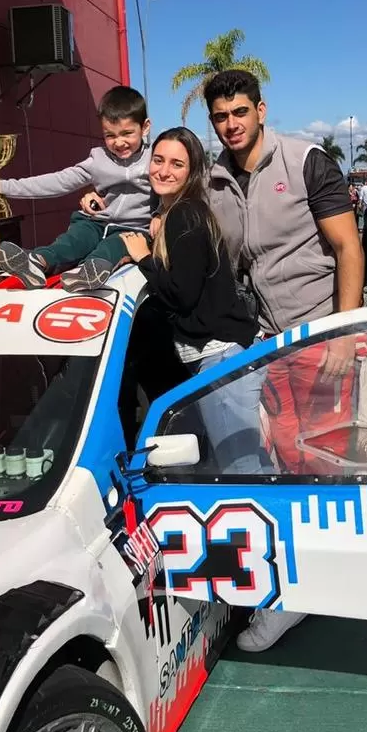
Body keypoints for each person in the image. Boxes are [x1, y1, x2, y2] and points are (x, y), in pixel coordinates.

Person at [205, 69, 364, 651]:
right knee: (282, 464)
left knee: (328, 465)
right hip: (266, 339)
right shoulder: (215, 178)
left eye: (240, 112)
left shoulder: (306, 160)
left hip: (322, 333)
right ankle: (300, 589)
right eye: (221, 117)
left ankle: (320, 587)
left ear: (261, 109)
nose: (232, 125)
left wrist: (343, 334)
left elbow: (348, 246)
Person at [118, 127, 261, 474]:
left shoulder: (185, 214)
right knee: (229, 460)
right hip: (216, 355)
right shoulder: (179, 212)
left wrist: (142, 259)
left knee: (241, 467)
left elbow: (182, 294)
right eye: (159, 160)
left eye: (177, 164)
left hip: (220, 357)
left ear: (192, 171)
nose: (164, 170)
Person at [0, 86, 153, 292]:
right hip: (95, 222)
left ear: (145, 127)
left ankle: (88, 271)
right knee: (72, 241)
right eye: (110, 135)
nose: (119, 142)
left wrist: (159, 215)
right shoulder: (98, 159)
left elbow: (174, 191)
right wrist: (6, 187)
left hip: (133, 230)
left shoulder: (155, 159)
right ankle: (36, 262)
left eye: (127, 133)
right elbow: (59, 181)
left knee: (112, 247)